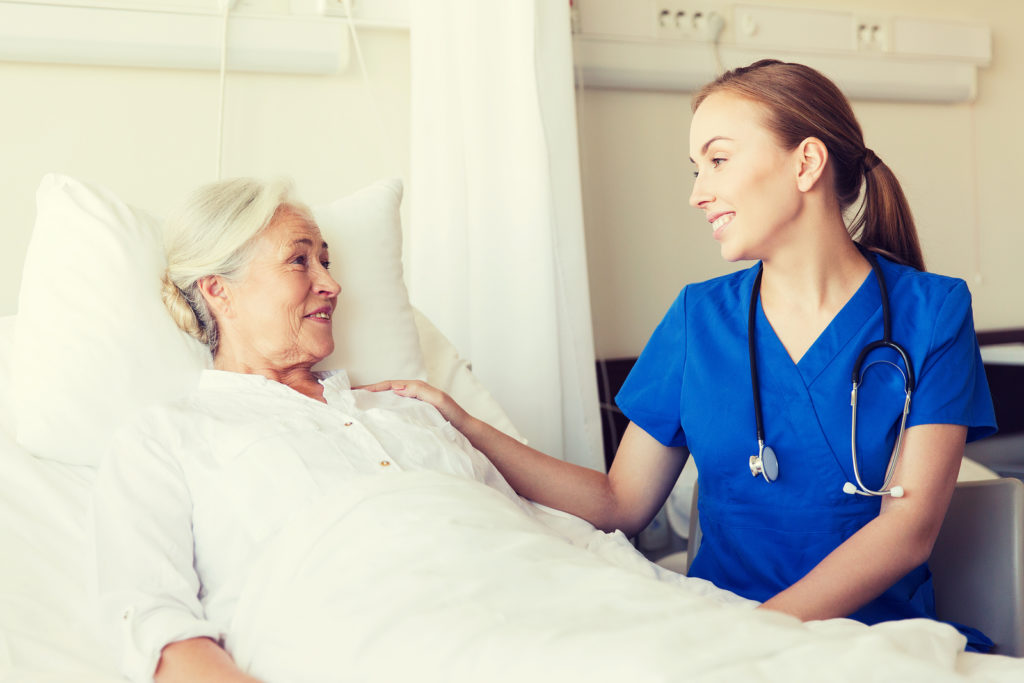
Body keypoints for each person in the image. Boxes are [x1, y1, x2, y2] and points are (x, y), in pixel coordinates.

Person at [368, 59, 997, 650]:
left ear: (805, 162)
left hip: (871, 644)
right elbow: (622, 503)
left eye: (718, 160)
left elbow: (905, 532)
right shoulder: (701, 319)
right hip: (716, 633)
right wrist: (466, 425)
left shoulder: (933, 313)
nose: (699, 193)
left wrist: (756, 634)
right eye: (696, 169)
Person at [90, 179, 531, 683]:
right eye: (299, 261)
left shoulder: (407, 408)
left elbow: (535, 529)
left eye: (326, 261)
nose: (331, 284)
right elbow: (156, 628)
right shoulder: (167, 438)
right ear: (218, 290)